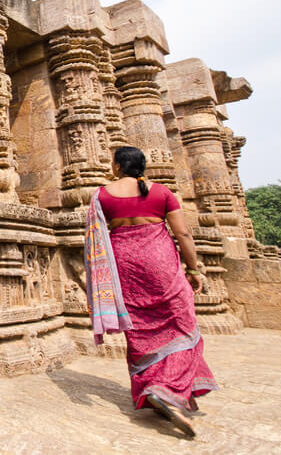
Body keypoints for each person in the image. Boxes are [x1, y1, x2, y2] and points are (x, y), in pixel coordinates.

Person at [84, 146, 219, 437]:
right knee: (181, 323)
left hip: (124, 263)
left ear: (118, 166)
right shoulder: (161, 193)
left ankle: (153, 387)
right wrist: (194, 269)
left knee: (140, 327)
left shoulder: (102, 195)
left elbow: (97, 235)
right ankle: (168, 388)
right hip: (161, 261)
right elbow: (183, 233)